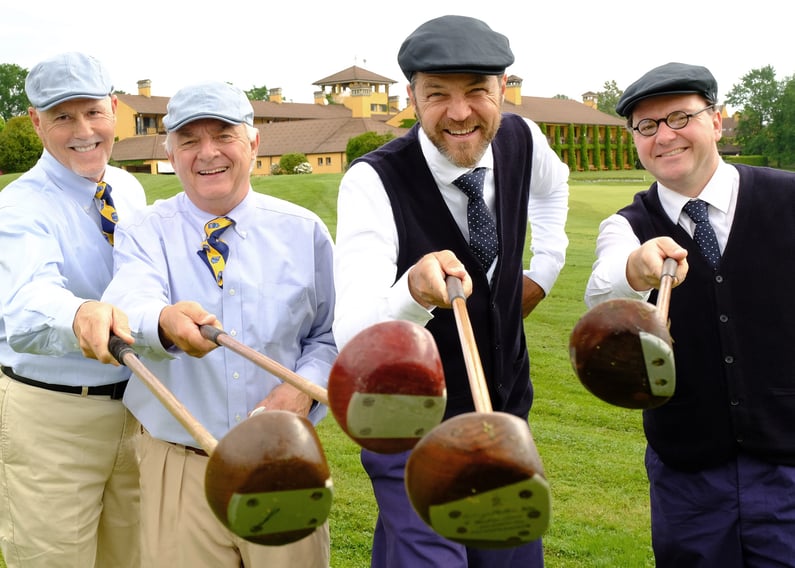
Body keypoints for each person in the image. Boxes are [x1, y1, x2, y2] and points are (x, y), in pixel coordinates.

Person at [333, 15, 570, 568]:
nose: (459, 113)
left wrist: (545, 269)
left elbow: (553, 190)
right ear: (412, 97)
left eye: (477, 92)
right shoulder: (372, 182)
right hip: (410, 430)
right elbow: (353, 336)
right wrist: (412, 293)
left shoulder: (523, 139)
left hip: (506, 418)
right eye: (437, 94)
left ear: (503, 91)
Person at [101, 80, 337, 567]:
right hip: (179, 468)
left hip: (284, 464)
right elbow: (132, 300)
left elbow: (329, 335)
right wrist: (163, 321)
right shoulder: (144, 232)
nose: (207, 153)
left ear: (253, 143)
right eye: (189, 140)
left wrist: (304, 388)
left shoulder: (304, 231)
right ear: (170, 151)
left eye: (223, 136)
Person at [584, 61, 795, 566]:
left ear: (716, 121)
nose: (665, 136)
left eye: (680, 117)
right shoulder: (627, 225)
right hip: (688, 478)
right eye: (647, 126)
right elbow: (601, 290)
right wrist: (636, 269)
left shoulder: (788, 198)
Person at [0, 52, 146, 567]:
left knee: (132, 558)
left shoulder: (127, 188)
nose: (83, 131)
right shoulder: (19, 207)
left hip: (136, 411)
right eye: (63, 116)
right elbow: (25, 304)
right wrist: (81, 312)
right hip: (53, 420)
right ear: (37, 122)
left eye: (93, 112)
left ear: (113, 109)